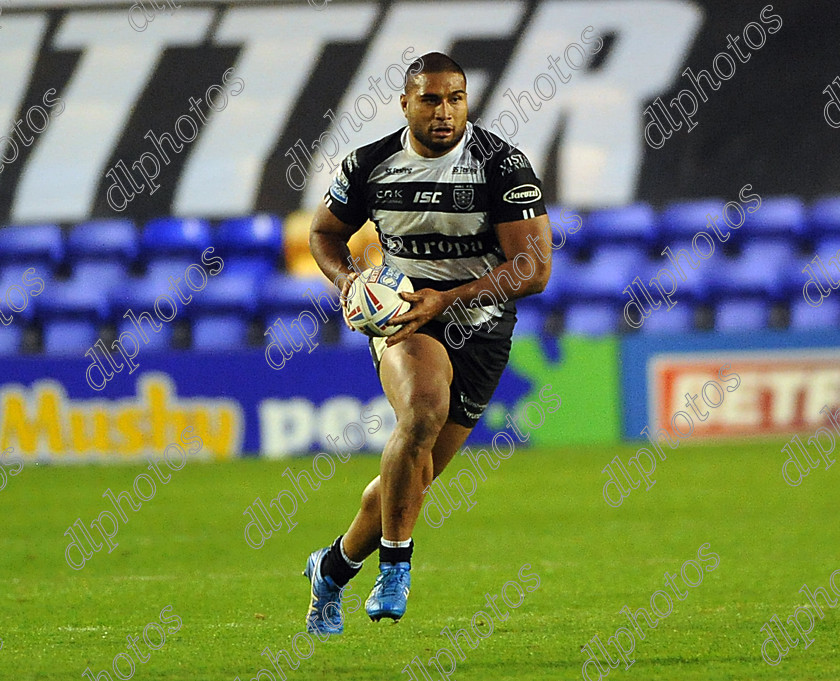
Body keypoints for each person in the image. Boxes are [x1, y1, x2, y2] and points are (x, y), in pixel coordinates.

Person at [305, 51, 551, 633]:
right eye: (432, 100)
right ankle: (397, 565)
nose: (445, 112)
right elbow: (323, 231)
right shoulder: (369, 165)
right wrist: (348, 282)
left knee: (410, 483)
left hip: (482, 325)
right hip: (406, 319)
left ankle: (331, 570)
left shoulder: (501, 166)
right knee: (421, 412)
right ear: (406, 103)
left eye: (456, 99)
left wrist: (447, 297)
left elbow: (535, 269)